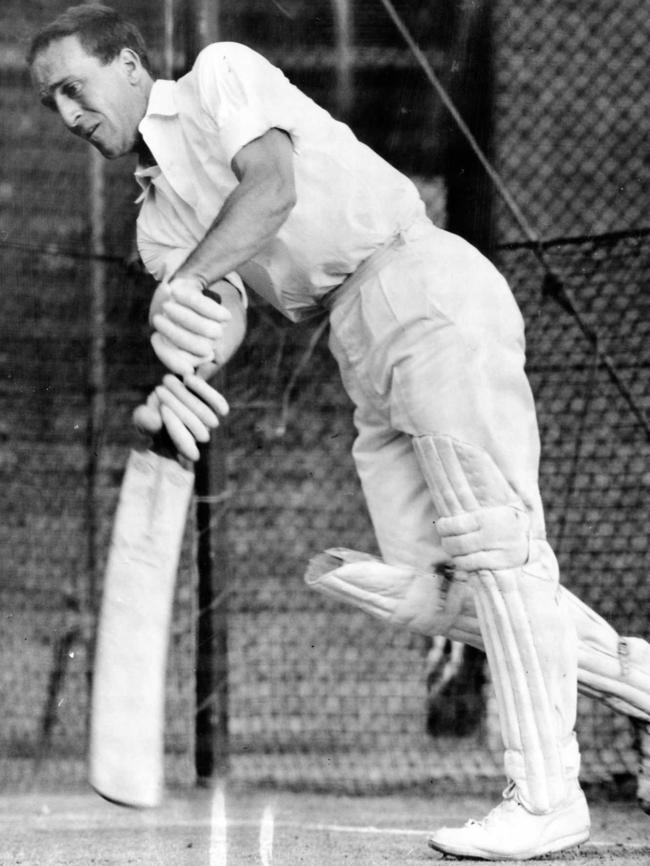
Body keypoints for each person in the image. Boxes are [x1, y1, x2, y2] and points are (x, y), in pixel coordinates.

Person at [28, 5, 650, 857]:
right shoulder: (155, 220)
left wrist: (189, 288)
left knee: (492, 543)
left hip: (419, 281)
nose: (67, 115)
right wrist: (177, 387)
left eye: (75, 88)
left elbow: (271, 188)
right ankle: (640, 678)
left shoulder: (218, 79)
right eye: (50, 103)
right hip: (357, 340)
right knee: (435, 584)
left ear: (132, 67)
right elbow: (221, 318)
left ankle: (547, 798)